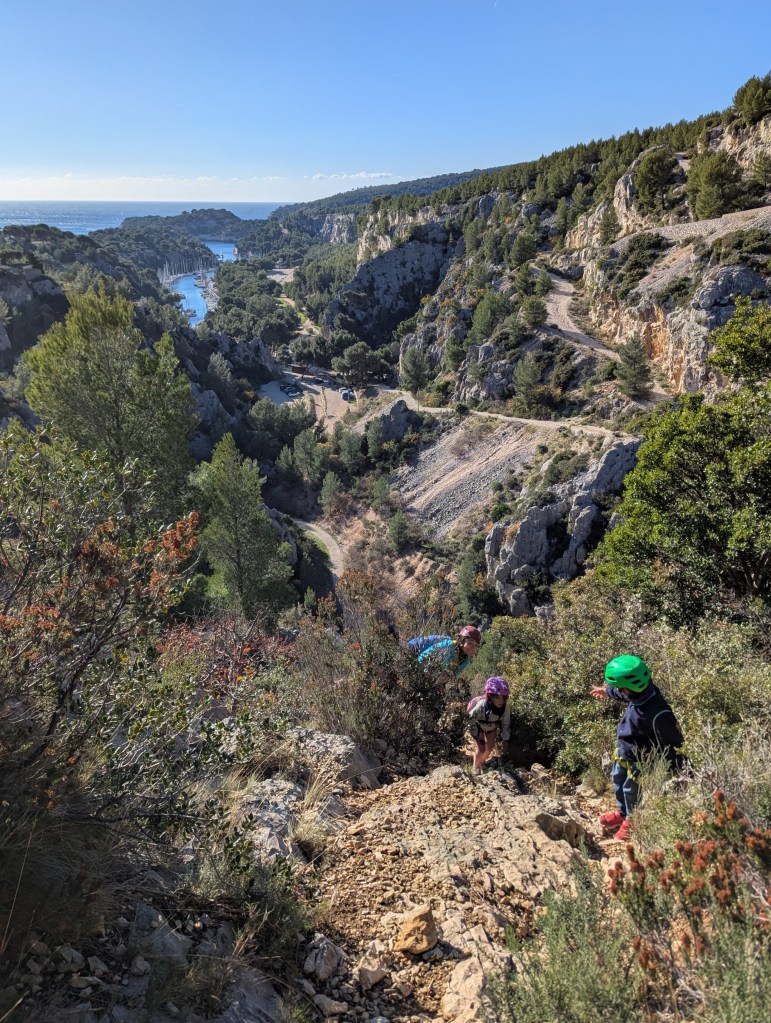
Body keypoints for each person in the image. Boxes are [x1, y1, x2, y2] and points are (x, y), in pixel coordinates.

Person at [591, 654, 684, 842]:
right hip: (625, 750)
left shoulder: (658, 712)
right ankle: (623, 813)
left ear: (632, 688)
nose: (620, 691)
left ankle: (632, 821)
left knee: (631, 790)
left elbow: (672, 742)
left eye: (621, 688)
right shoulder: (639, 693)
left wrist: (679, 769)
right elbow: (624, 694)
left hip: (641, 758)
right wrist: (607, 691)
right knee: (618, 780)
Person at [468, 676, 511, 773]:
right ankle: (475, 768)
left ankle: (482, 762)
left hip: (492, 727)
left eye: (504, 697)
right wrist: (476, 735)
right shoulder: (481, 705)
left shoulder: (505, 708)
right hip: (479, 725)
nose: (501, 701)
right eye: (497, 697)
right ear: (490, 696)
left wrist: (505, 739)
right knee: (481, 748)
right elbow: (471, 719)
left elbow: (506, 724)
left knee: (490, 747)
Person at [406, 625, 481, 677]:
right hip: (411, 649)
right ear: (461, 640)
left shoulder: (466, 660)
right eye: (470, 643)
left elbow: (451, 676)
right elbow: (422, 659)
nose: (473, 647)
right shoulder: (448, 646)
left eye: (476, 645)